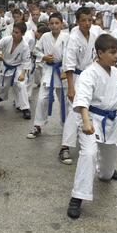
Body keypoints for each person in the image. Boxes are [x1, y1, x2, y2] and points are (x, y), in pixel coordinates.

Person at [66, 34, 117, 219]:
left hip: (109, 119)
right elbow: (82, 100)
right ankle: (77, 197)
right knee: (89, 154)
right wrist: (86, 122)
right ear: (100, 53)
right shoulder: (89, 73)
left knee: (110, 154)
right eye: (112, 52)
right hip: (92, 119)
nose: (116, 56)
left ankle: (107, 172)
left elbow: (113, 93)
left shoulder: (116, 72)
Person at [58, 7, 100, 165]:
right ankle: (65, 147)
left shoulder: (94, 35)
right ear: (77, 21)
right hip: (74, 77)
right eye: (83, 20)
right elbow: (69, 64)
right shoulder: (73, 37)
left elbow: (96, 57)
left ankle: (91, 140)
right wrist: (70, 87)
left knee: (88, 110)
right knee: (74, 112)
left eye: (90, 20)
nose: (87, 23)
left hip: (89, 77)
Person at [28, 13, 70, 141]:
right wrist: (44, 57)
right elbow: (36, 50)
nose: (54, 26)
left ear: (62, 24)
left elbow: (71, 54)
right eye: (51, 23)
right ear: (48, 24)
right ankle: (38, 125)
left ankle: (67, 126)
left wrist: (66, 69)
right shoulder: (45, 36)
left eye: (57, 23)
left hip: (62, 70)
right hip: (49, 70)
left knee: (65, 100)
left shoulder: (67, 37)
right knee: (42, 99)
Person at [0, 22, 32, 119]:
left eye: (17, 32)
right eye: (13, 31)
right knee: (3, 86)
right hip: (6, 66)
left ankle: (25, 108)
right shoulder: (7, 39)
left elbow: (26, 61)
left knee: (20, 85)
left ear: (22, 34)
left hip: (18, 67)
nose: (14, 34)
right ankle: (1, 97)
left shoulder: (25, 46)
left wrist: (22, 74)